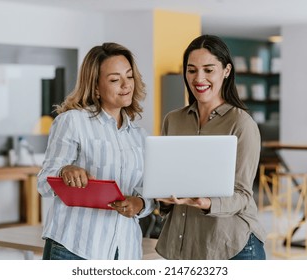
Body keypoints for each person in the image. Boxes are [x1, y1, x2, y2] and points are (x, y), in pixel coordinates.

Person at [37, 42, 155, 260]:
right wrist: (65, 171)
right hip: (75, 247)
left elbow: (149, 192)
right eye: (114, 79)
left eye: (129, 76)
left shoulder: (141, 136)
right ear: (96, 87)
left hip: (126, 251)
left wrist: (140, 204)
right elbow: (44, 183)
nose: (126, 84)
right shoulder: (72, 121)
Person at [155, 35, 266, 260]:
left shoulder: (241, 123)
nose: (199, 78)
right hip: (184, 247)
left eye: (208, 69)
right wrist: (159, 194)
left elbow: (243, 195)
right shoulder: (173, 120)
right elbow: (167, 179)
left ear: (226, 71)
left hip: (233, 247)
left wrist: (207, 203)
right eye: (192, 70)